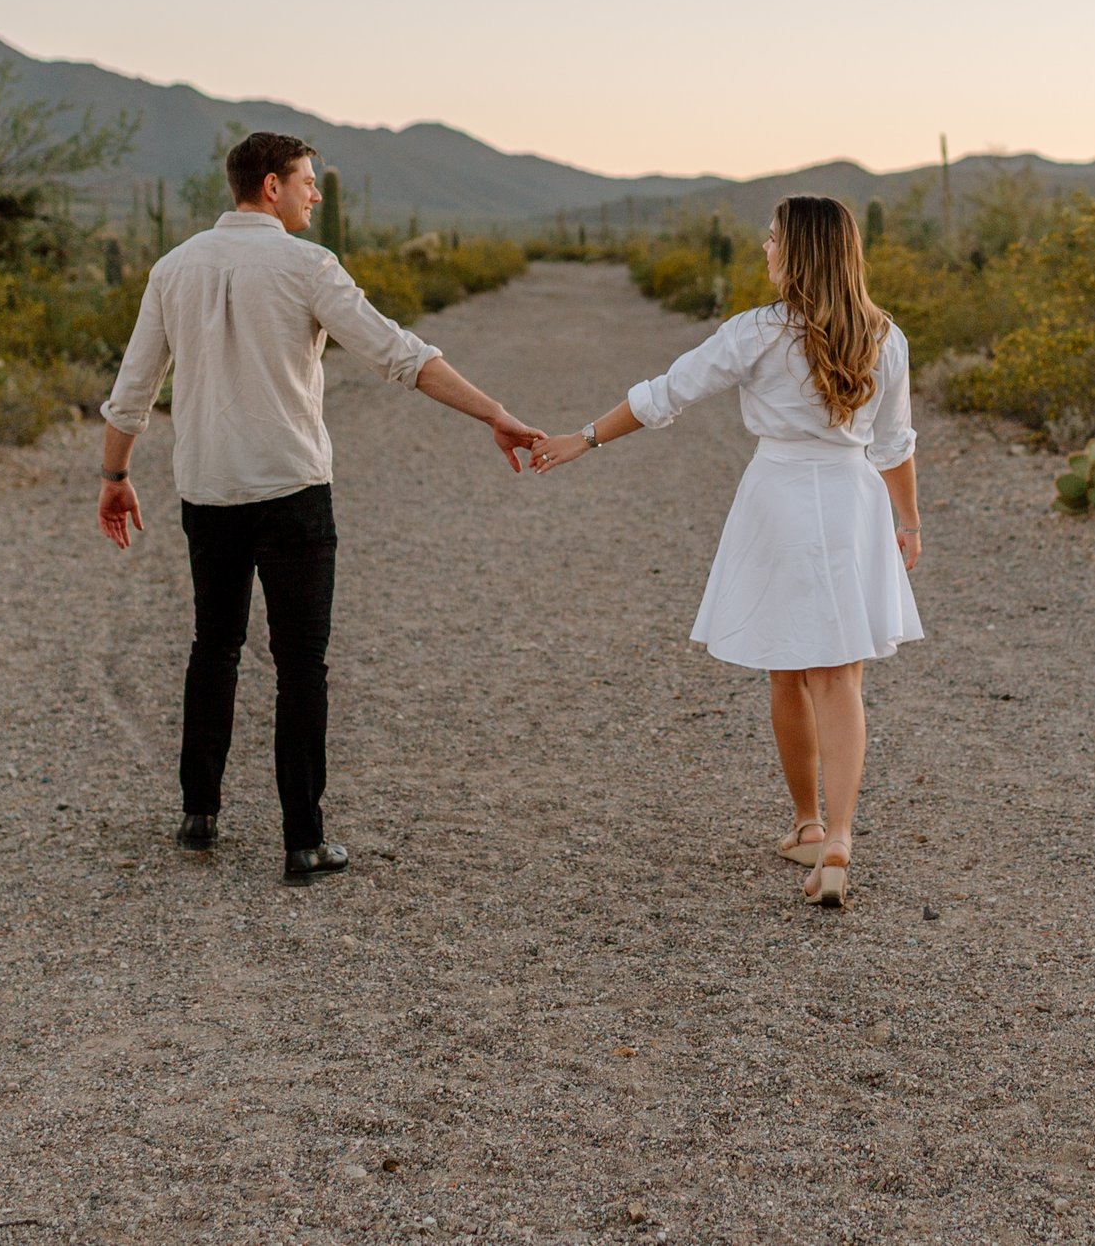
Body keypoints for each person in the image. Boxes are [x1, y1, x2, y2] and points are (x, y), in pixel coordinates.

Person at [97, 132, 544, 886]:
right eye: (308, 181)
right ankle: (303, 840)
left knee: (215, 644)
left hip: (209, 492)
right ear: (271, 185)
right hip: (294, 493)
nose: (316, 195)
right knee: (301, 663)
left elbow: (133, 386)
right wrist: (492, 411)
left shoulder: (173, 269)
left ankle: (199, 811)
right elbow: (400, 354)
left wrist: (114, 473)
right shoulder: (309, 265)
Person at [531, 195, 921, 907]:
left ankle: (807, 822)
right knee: (842, 676)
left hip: (777, 493)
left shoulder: (756, 332)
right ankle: (837, 835)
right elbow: (895, 443)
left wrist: (581, 438)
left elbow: (666, 394)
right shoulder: (884, 337)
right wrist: (910, 521)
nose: (764, 250)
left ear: (797, 252)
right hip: (852, 496)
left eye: (773, 239)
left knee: (786, 667)